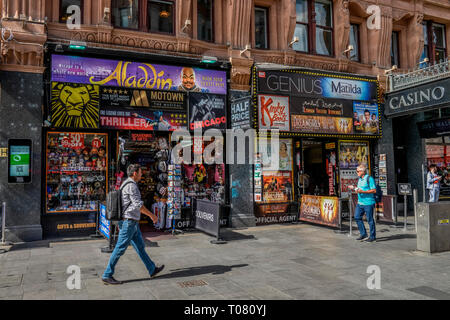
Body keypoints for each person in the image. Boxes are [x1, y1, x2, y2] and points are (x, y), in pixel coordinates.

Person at [102, 164, 165, 285]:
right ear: (135, 173)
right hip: (128, 222)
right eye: (141, 172)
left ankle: (151, 269)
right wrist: (152, 216)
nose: (142, 175)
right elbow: (138, 205)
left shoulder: (127, 183)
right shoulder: (131, 186)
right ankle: (107, 274)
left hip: (132, 222)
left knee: (140, 246)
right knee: (120, 248)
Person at [348, 164, 377, 242]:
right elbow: (359, 189)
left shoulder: (369, 179)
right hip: (360, 203)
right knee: (357, 217)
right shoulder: (360, 179)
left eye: (358, 171)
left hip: (368, 203)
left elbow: (374, 190)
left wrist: (362, 191)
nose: (356, 172)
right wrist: (354, 188)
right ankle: (363, 234)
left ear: (362, 171)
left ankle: (372, 236)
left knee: (370, 220)